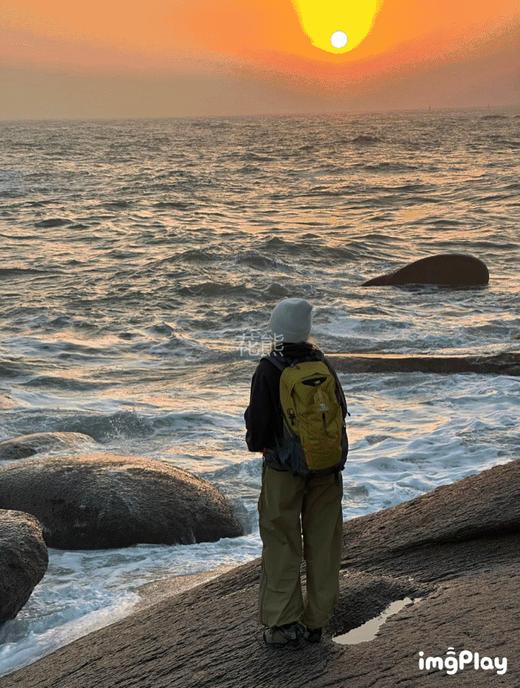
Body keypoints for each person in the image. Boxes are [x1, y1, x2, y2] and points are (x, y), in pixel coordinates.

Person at [244, 297, 348, 647]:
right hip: (326, 468)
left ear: (276, 328)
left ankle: (283, 623)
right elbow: (340, 413)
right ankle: (317, 621)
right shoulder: (322, 363)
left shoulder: (269, 369)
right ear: (306, 329)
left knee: (282, 541)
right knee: (324, 543)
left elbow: (257, 427)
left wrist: (261, 444)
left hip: (283, 470)